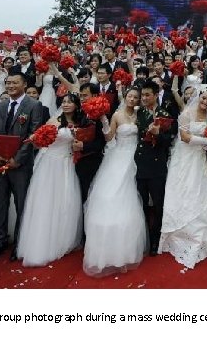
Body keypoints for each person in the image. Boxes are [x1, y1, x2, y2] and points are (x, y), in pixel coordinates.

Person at [0, 71, 43, 263]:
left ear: (24, 84)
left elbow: (33, 134)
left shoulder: (34, 105)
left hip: (20, 166)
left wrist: (18, 159)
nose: (10, 86)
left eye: (15, 82)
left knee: (21, 204)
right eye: (8, 83)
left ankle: (19, 243)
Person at [84, 87, 146, 276]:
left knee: (131, 199)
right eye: (130, 96)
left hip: (137, 156)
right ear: (125, 97)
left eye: (136, 97)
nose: (132, 99)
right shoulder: (117, 115)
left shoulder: (140, 115)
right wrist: (103, 120)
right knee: (113, 195)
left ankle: (127, 246)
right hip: (119, 157)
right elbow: (109, 137)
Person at [17, 94, 83, 266]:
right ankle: (41, 242)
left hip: (67, 165)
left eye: (70, 102)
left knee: (65, 202)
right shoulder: (54, 120)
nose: (66, 104)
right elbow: (40, 142)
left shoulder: (80, 122)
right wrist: (35, 139)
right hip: (51, 164)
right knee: (46, 201)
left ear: (77, 105)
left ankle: (62, 239)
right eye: (65, 102)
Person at [158, 88, 207, 268]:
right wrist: (205, 141)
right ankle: (179, 235)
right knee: (184, 192)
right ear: (198, 97)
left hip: (201, 159)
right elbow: (184, 137)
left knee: (202, 193)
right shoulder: (186, 113)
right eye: (204, 98)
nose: (206, 102)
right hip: (185, 158)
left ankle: (203, 238)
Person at [134, 81, 174, 255]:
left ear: (156, 95)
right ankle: (143, 237)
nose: (144, 98)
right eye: (142, 95)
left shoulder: (164, 114)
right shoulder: (139, 112)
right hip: (140, 163)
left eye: (147, 95)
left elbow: (169, 140)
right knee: (141, 203)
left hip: (157, 164)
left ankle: (155, 238)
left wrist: (158, 135)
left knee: (158, 204)